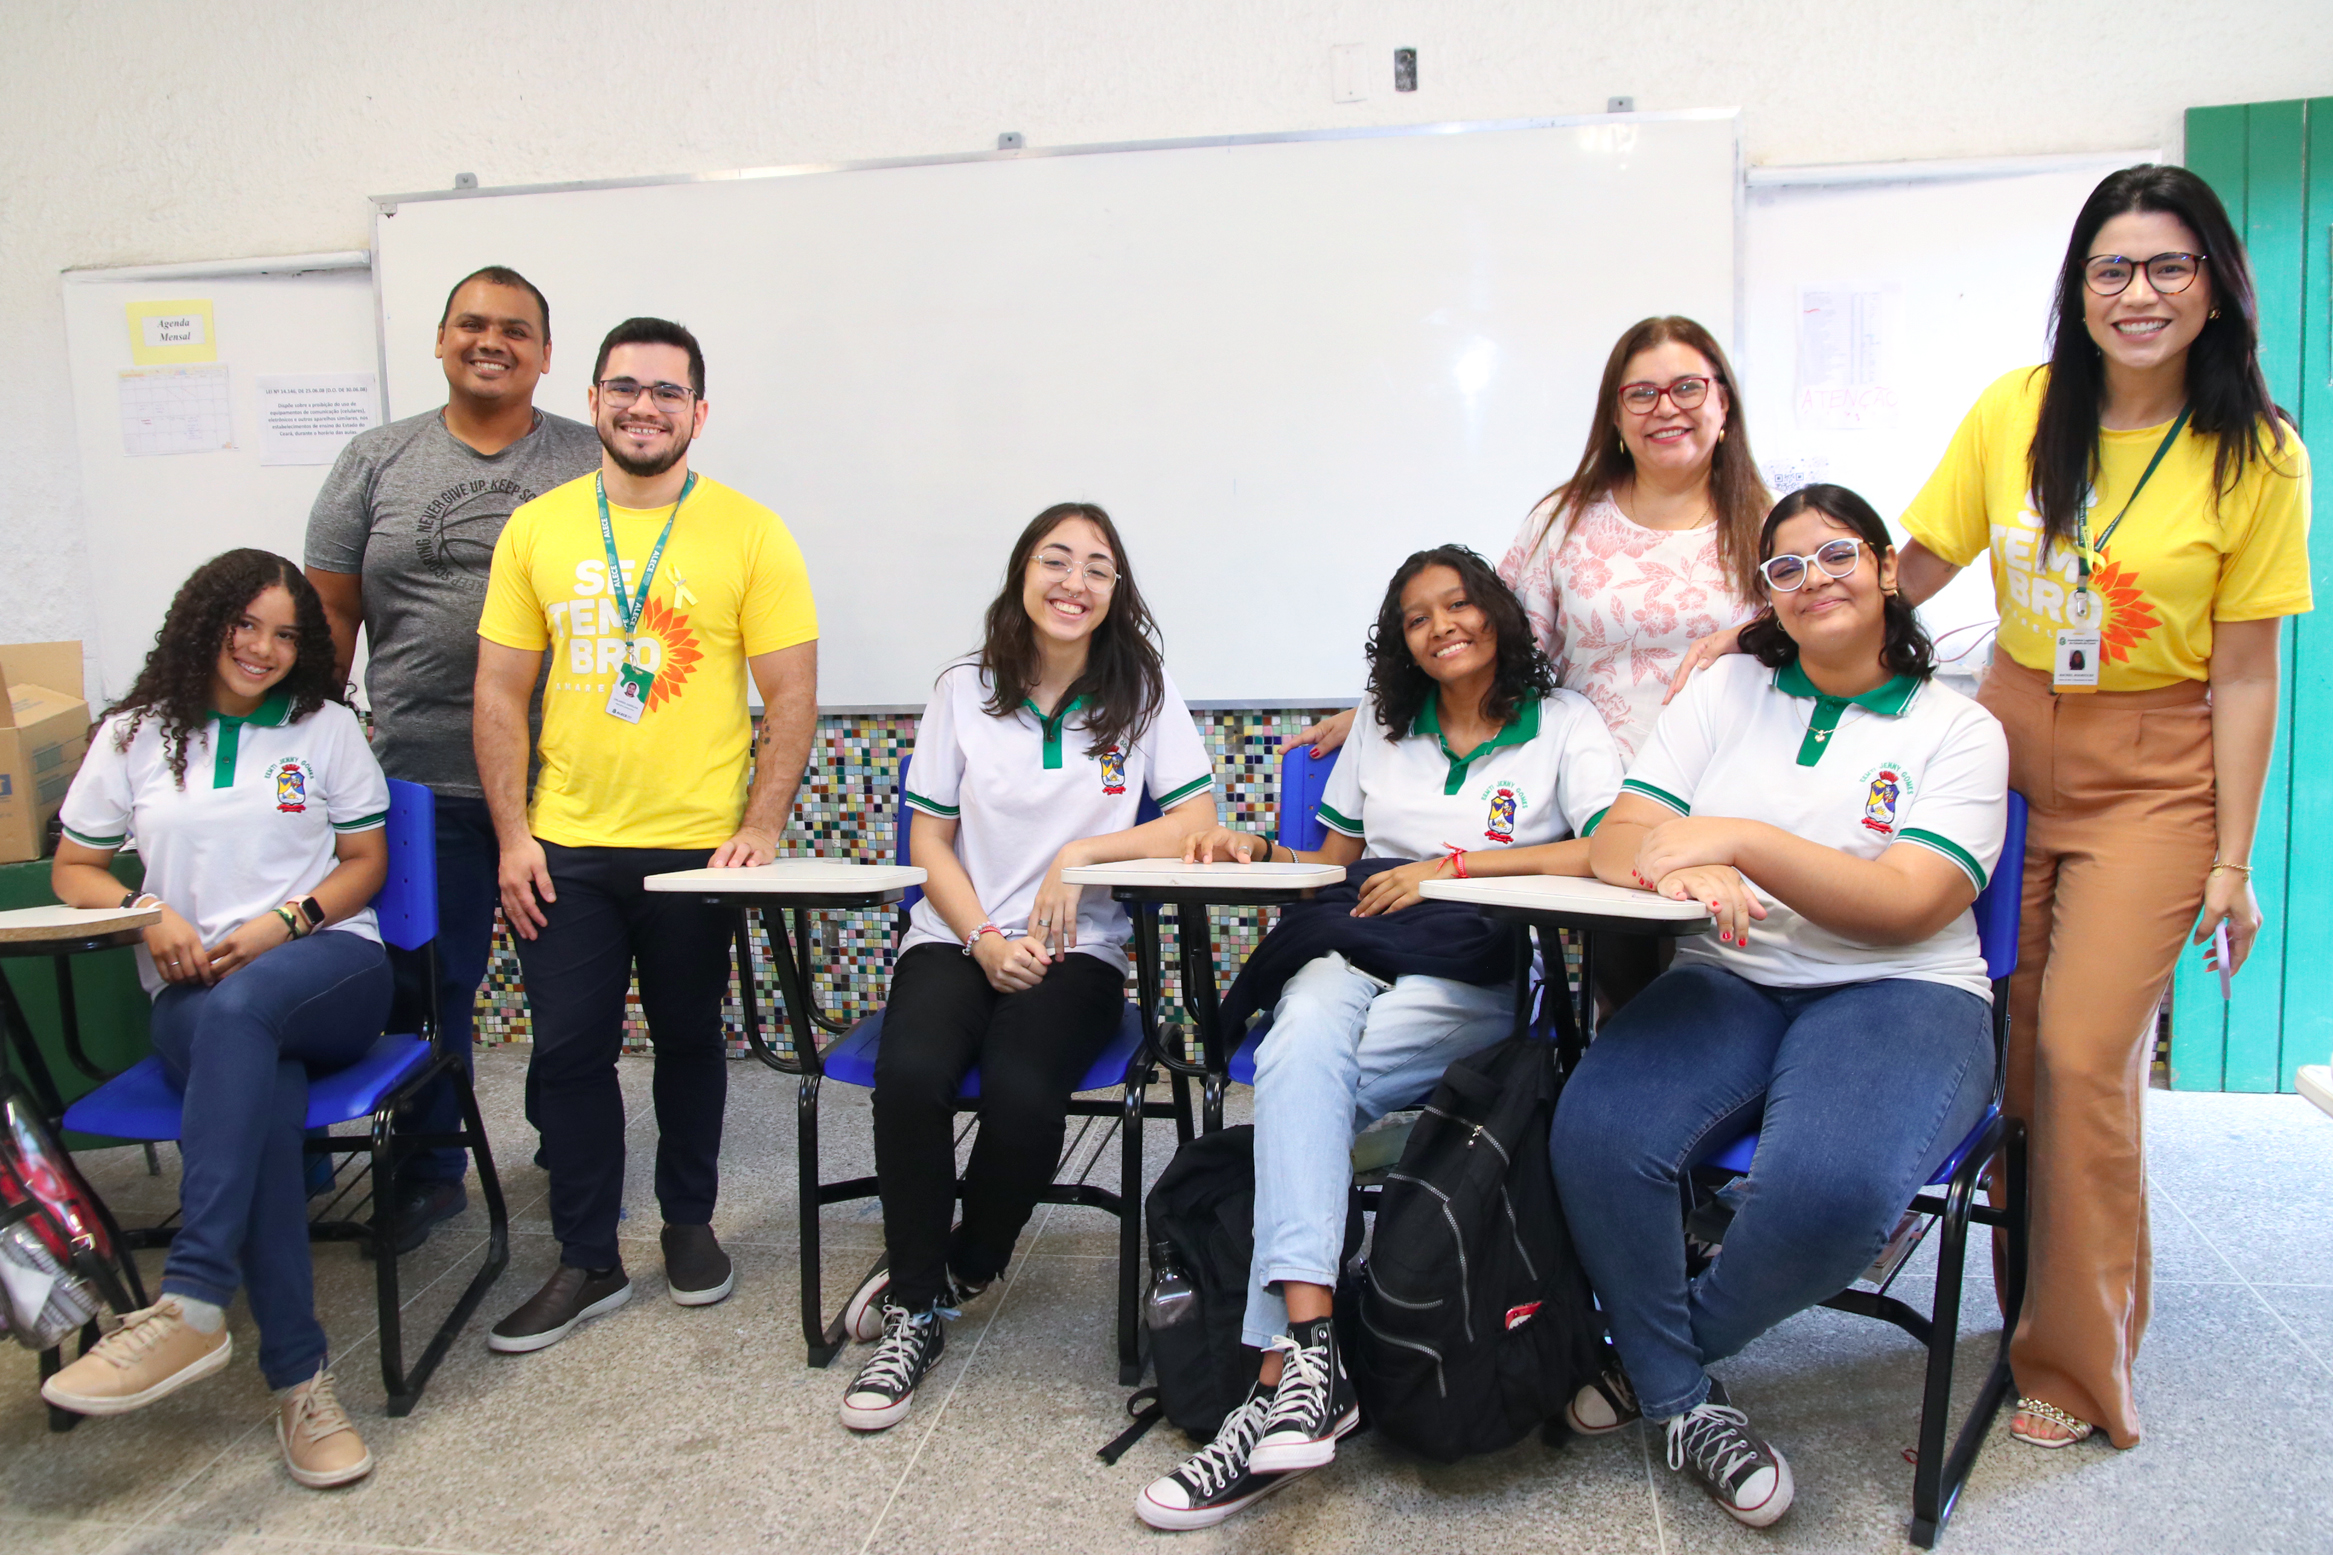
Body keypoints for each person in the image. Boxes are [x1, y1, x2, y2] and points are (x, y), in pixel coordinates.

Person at [1672, 166, 2313, 1451]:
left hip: (2155, 761)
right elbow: (1908, 569)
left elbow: (2246, 668)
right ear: (2076, 289)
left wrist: (2230, 858)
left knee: (2081, 1054)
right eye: (2109, 270)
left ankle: (2073, 1364)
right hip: (2009, 725)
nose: (2136, 294)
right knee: (2006, 1037)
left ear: (2212, 287)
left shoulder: (2254, 451)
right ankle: (2025, 1295)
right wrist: (1763, 632)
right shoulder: (2017, 412)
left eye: (2166, 267)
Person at [1134, 545, 1624, 1530]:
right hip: (1358, 944)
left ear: (1493, 612)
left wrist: (1456, 867)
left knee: (1290, 1078)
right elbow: (1329, 865)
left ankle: (1279, 1377)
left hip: (1471, 966)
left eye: (1458, 604)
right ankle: (1307, 1361)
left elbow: (1605, 846)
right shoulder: (1384, 729)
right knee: (1298, 1037)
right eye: (1415, 617)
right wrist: (1255, 850)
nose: (1441, 625)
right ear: (1398, 641)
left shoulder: (1562, 722)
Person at [1552, 485, 2008, 1527]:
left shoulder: (1960, 729)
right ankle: (1678, 1399)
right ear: (1767, 597)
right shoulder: (1724, 696)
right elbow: (1620, 835)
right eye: (1785, 567)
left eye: (1836, 553)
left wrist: (1737, 840)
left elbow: (1902, 905)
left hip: (1901, 990)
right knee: (1594, 1130)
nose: (1813, 579)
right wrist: (1671, 873)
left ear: (1889, 569)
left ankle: (1655, 1362)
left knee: (1835, 1191)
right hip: (1731, 971)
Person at [473, 316, 819, 1353]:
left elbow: (792, 693)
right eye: (623, 386)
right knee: (570, 1051)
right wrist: (511, 834)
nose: (644, 405)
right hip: (563, 847)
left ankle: (687, 1220)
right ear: (591, 400)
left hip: (695, 851)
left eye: (667, 392)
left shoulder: (750, 532)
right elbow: (496, 690)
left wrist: (760, 824)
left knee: (686, 1042)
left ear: (697, 414)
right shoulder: (536, 528)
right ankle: (586, 1256)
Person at [834, 503, 1218, 1431]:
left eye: (1096, 567)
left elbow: (1197, 820)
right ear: (1020, 574)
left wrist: (1075, 858)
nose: (1073, 582)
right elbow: (928, 838)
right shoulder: (964, 688)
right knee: (912, 1072)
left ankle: (968, 1257)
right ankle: (914, 1310)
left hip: (1077, 949)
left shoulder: (1144, 689)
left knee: (1019, 1087)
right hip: (956, 936)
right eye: (1055, 559)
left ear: (1115, 591)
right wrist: (982, 940)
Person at [1284, 317, 1768, 1003]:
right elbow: (1498, 642)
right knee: (1630, 1003)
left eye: (1686, 386)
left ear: (1723, 400)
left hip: (1730, 790)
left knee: (1732, 981)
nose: (1665, 407)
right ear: (1614, 416)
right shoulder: (1564, 520)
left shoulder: (1769, 524)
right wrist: (1375, 705)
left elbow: (1813, 647)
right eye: (1640, 394)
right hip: (1608, 800)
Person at [43, 550, 395, 1489]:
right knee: (264, 1099)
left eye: (287, 635)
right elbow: (73, 869)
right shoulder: (130, 735)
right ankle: (300, 1384)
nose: (265, 649)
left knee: (251, 1014)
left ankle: (193, 1294)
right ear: (206, 623)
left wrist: (286, 921)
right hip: (193, 999)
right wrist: (148, 913)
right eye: (247, 625)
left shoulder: (325, 729)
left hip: (329, 971)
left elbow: (366, 862)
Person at [304, 265, 602, 1251]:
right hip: (416, 781)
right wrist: (318, 750)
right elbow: (329, 615)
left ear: (546, 356)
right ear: (438, 341)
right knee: (427, 986)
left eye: (515, 329)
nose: (491, 340)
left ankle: (574, 1145)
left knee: (571, 988)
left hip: (560, 786)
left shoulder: (589, 459)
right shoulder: (372, 461)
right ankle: (428, 1167)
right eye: (471, 324)